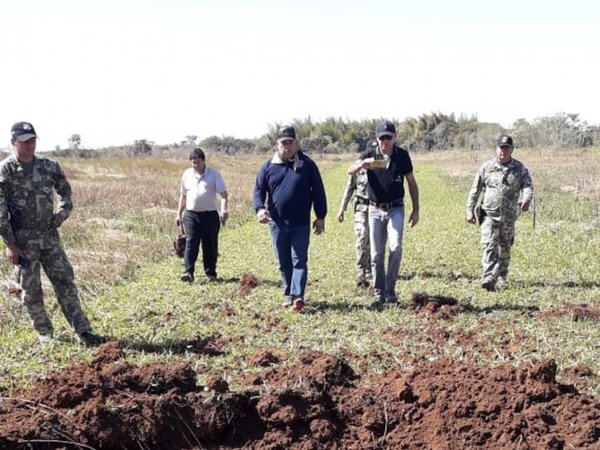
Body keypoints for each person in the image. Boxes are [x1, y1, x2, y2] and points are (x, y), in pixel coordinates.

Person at [0, 122, 103, 346]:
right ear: (13, 142)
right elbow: (0, 212)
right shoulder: (5, 171)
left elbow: (65, 190)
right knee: (31, 290)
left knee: (65, 283)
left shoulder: (49, 165)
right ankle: (45, 335)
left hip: (50, 238)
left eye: (33, 140)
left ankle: (84, 331)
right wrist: (10, 244)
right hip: (24, 242)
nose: (30, 145)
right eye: (25, 141)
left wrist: (64, 210)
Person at [253, 125, 327, 311]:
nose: (287, 146)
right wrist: (260, 209)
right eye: (283, 143)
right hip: (277, 223)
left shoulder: (307, 165)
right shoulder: (268, 167)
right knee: (283, 261)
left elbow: (318, 191)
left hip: (300, 223)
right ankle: (288, 293)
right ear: (277, 145)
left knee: (299, 260)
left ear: (296, 143)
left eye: (290, 142)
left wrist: (320, 216)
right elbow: (259, 190)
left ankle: (298, 296)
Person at [348, 121, 420, 310]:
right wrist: (364, 164)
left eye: (389, 137)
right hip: (374, 210)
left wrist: (416, 209)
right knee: (376, 255)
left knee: (395, 248)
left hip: (396, 208)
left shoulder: (402, 155)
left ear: (395, 137)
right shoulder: (371, 153)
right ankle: (379, 293)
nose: (385, 142)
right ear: (377, 138)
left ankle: (390, 290)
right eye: (382, 138)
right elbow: (350, 169)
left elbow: (412, 183)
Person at [466, 134, 533, 291]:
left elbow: (528, 185)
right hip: (488, 213)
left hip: (509, 216)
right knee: (489, 245)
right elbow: (475, 190)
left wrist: (527, 198)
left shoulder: (519, 168)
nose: (503, 151)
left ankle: (502, 276)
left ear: (512, 149)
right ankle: (488, 276)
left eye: (507, 148)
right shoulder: (486, 167)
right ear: (496, 149)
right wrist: (469, 210)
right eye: (501, 148)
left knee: (505, 247)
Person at [177, 148, 228, 283]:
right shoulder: (187, 175)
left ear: (204, 161)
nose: (196, 165)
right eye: (193, 163)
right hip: (191, 215)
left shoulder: (214, 174)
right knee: (191, 242)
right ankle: (188, 272)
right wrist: (179, 213)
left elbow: (223, 193)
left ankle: (210, 273)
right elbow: (183, 196)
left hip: (210, 215)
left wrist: (224, 210)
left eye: (198, 162)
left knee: (210, 245)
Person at [337, 168, 371, 288]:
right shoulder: (358, 168)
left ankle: (370, 268)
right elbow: (349, 188)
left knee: (373, 240)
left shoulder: (382, 165)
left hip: (377, 209)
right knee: (362, 235)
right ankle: (361, 270)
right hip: (361, 208)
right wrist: (342, 209)